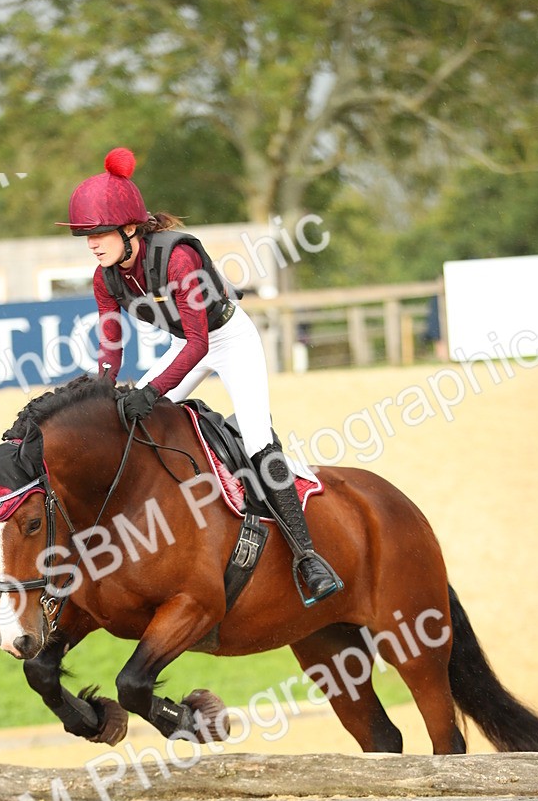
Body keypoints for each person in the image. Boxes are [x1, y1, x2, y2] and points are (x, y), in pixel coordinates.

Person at [60, 147, 341, 605]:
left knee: (255, 440)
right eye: (86, 235)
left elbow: (200, 344)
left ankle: (307, 557)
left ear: (130, 228)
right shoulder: (104, 277)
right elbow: (112, 344)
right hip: (185, 345)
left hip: (229, 340)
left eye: (99, 232)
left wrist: (150, 391)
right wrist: (104, 391)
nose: (91, 242)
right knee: (127, 422)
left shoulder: (177, 259)